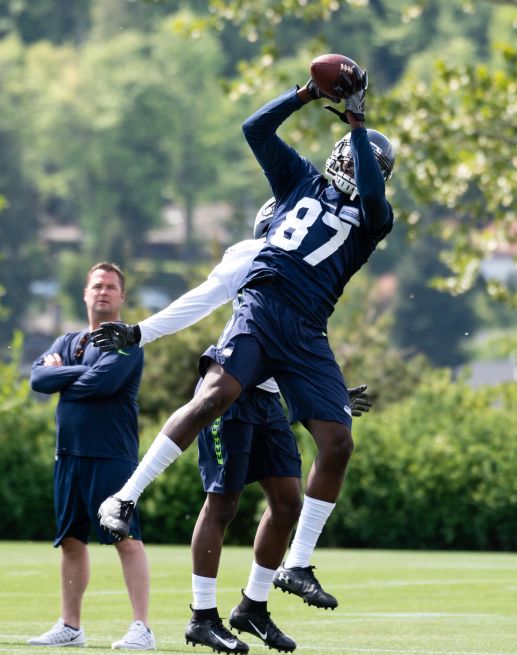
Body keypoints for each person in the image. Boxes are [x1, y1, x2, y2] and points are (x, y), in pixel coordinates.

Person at [96, 59, 394, 613]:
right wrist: (304, 94)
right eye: (355, 155)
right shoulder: (301, 179)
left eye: (368, 162)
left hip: (307, 328)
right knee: (216, 396)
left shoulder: (375, 216)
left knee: (339, 440)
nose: (357, 165)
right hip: (265, 298)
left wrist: (356, 127)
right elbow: (254, 130)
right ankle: (124, 497)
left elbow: (373, 195)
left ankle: (297, 563)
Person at [91, 200, 374, 654]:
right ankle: (202, 615)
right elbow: (204, 299)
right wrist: (141, 331)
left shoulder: (305, 269)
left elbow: (294, 347)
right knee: (222, 504)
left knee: (287, 503)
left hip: (267, 399)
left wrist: (331, 399)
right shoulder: (254, 253)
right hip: (232, 396)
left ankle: (252, 608)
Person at [25, 263, 154, 651]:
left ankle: (142, 628)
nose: (103, 292)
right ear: (85, 293)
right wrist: (76, 373)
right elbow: (38, 380)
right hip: (69, 456)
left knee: (125, 537)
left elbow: (102, 383)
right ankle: (70, 626)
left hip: (111, 456)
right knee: (70, 541)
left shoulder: (127, 341)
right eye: (96, 285)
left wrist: (65, 374)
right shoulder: (68, 340)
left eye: (111, 287)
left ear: (121, 296)